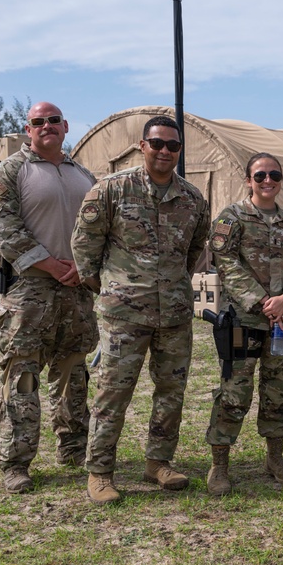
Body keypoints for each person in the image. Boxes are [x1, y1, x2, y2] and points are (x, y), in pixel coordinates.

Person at [71, 115, 210, 505]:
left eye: (173, 146)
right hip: (124, 315)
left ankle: (158, 462)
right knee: (113, 393)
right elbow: (84, 247)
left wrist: (173, 286)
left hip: (175, 314)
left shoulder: (193, 199)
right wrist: (110, 289)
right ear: (142, 145)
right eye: (158, 143)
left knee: (171, 392)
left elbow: (194, 250)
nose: (165, 151)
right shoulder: (112, 190)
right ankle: (99, 471)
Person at [0, 101, 98, 494]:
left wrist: (85, 267)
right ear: (28, 129)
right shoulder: (10, 172)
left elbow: (102, 228)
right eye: (38, 122)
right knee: (23, 379)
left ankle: (73, 448)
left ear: (65, 126)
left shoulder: (83, 174)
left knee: (73, 376)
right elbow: (2, 229)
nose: (46, 126)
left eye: (53, 120)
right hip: (29, 291)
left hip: (77, 291)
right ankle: (16, 462)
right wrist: (50, 265)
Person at [204, 153, 283, 496]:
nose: (268, 181)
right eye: (260, 175)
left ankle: (275, 459)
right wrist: (262, 301)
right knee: (234, 392)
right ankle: (219, 465)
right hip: (242, 321)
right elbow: (225, 261)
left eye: (274, 175)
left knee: (278, 390)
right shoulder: (231, 218)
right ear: (249, 180)